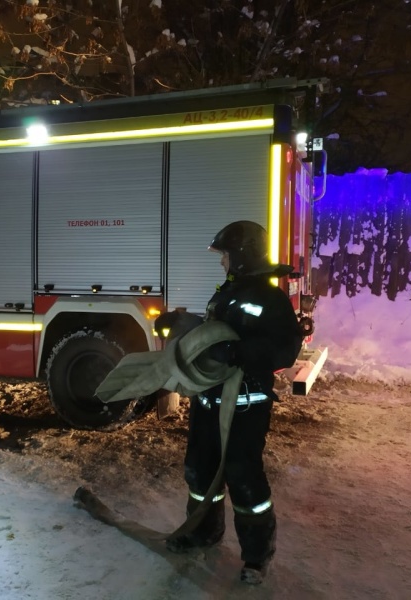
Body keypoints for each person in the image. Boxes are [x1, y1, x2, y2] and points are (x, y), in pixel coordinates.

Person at [165, 220, 301, 585]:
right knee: (199, 472)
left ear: (241, 256)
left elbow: (286, 349)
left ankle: (256, 558)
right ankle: (203, 532)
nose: (221, 262)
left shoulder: (271, 298)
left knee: (244, 479)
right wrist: (181, 323)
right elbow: (213, 332)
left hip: (245, 407)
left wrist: (238, 352)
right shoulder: (227, 292)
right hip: (208, 403)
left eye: (224, 255)